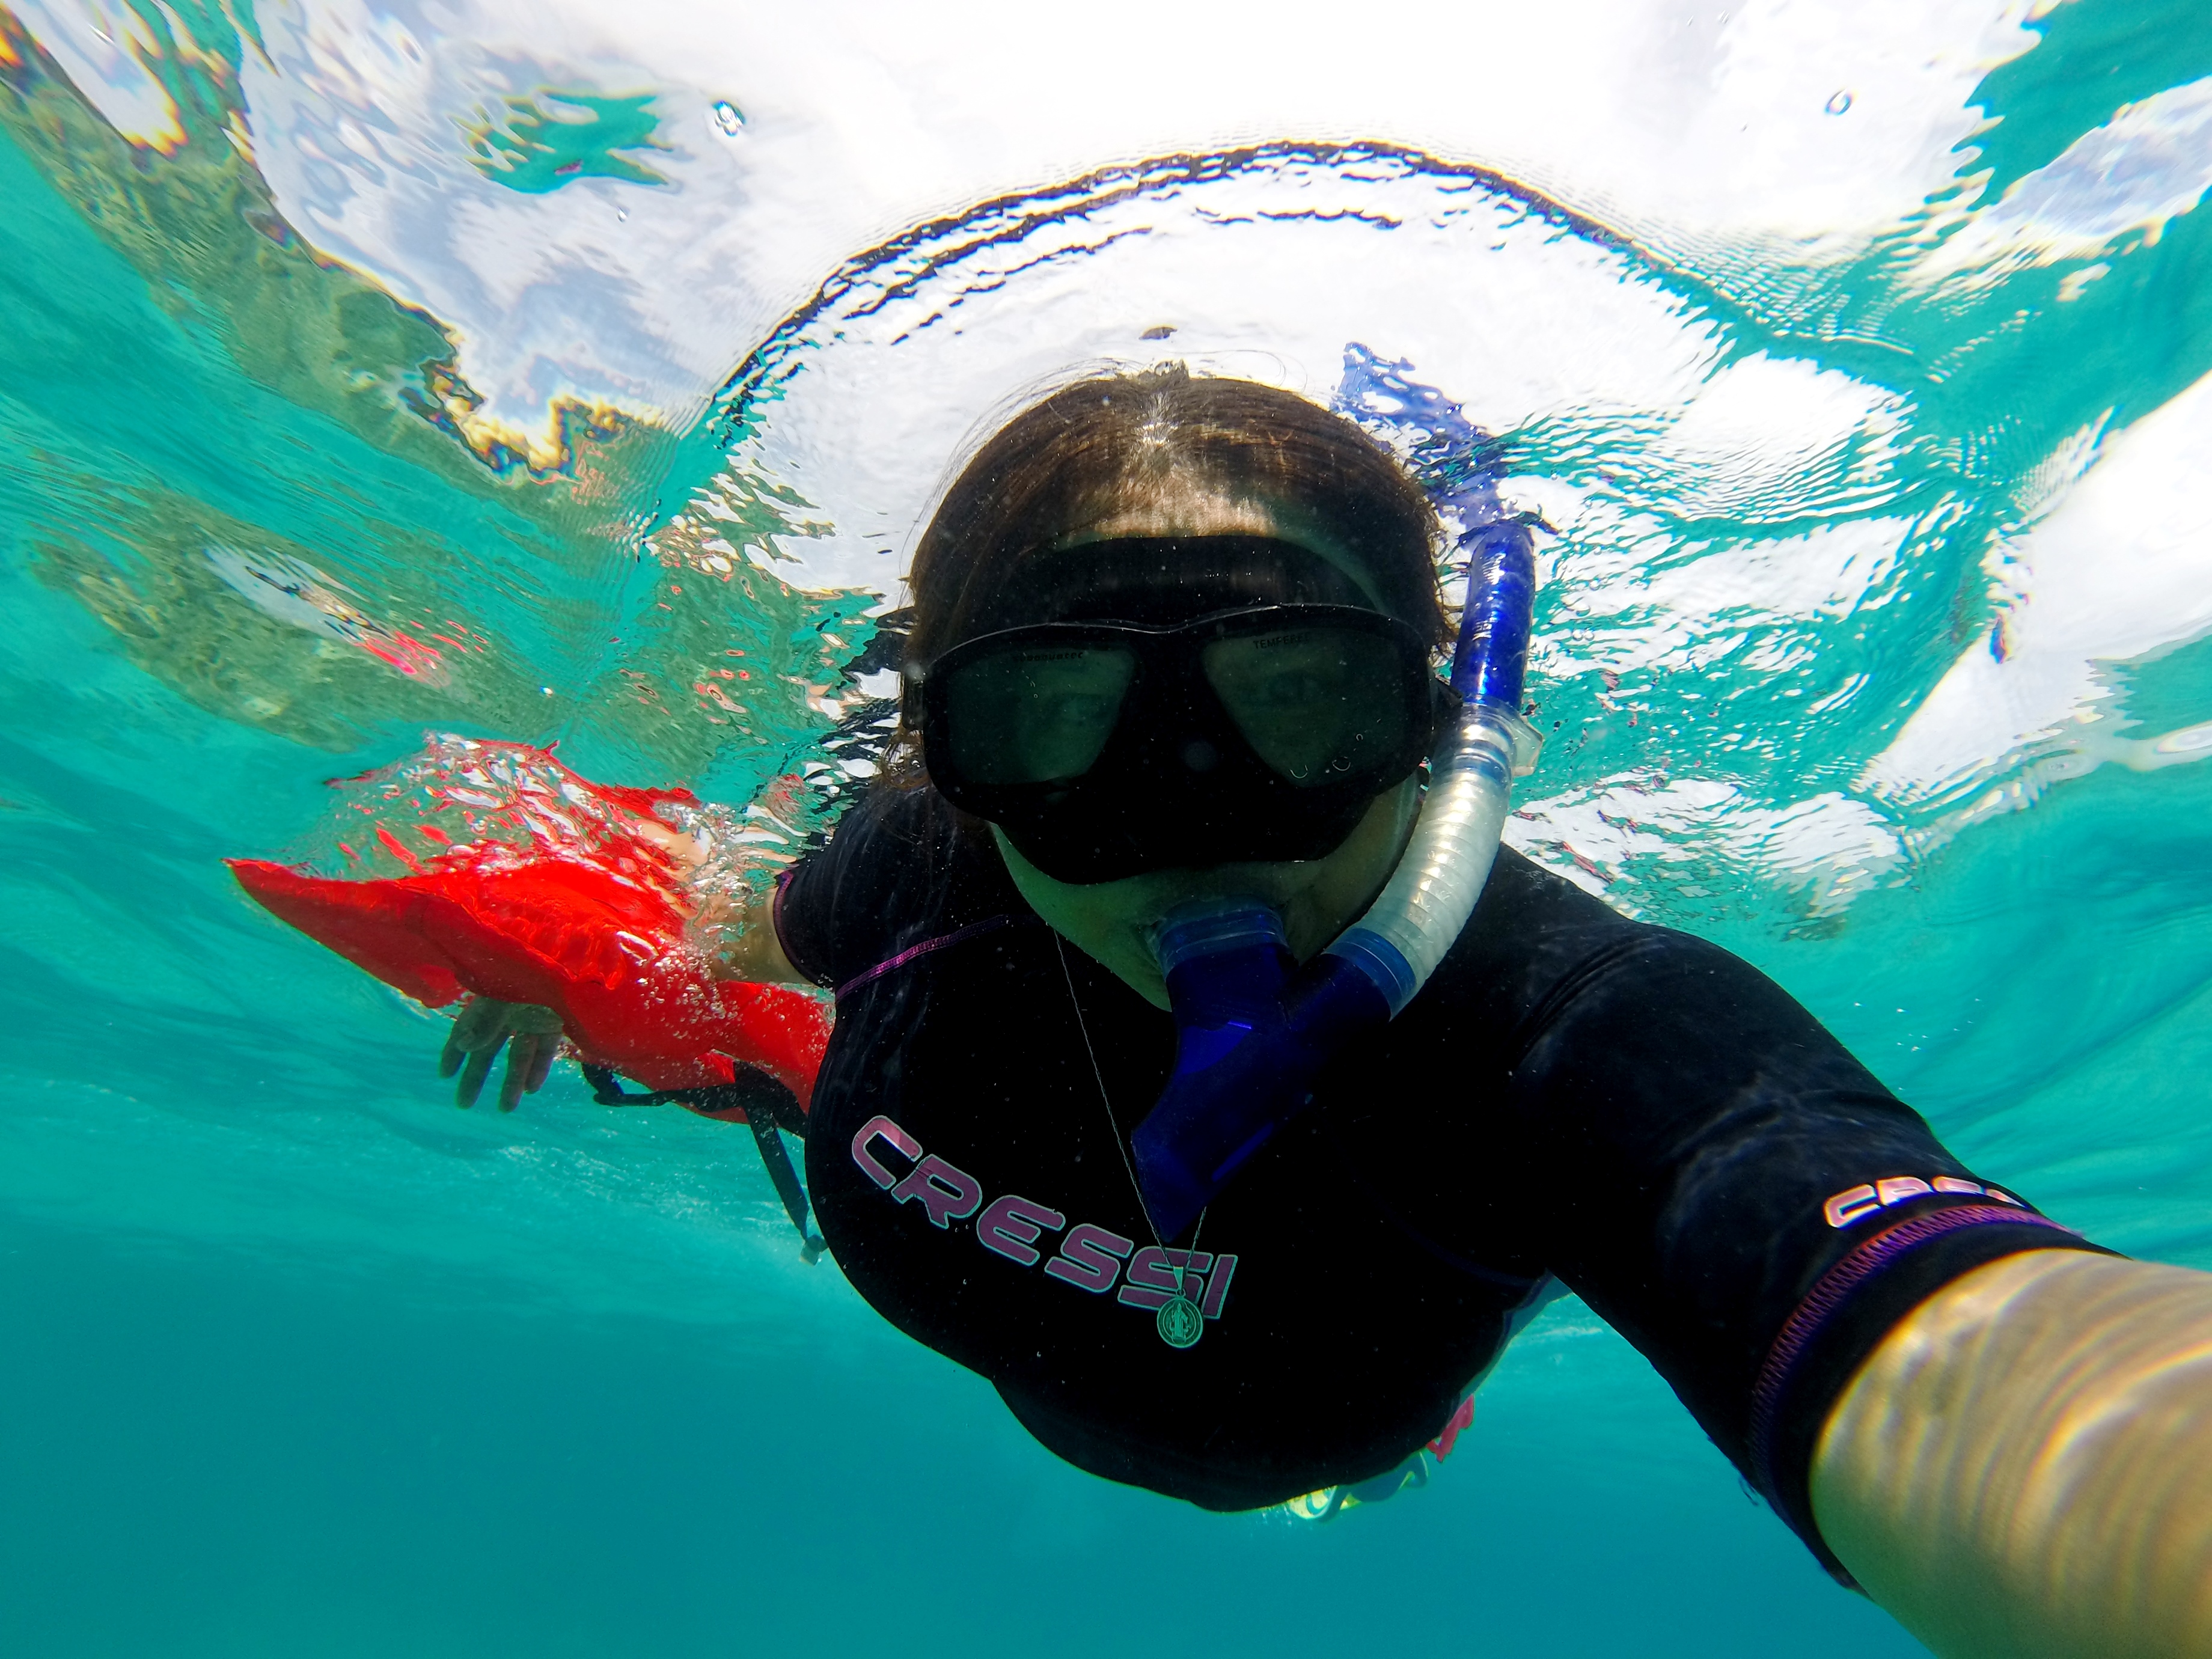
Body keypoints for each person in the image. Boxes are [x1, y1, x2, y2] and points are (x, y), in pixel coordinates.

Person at [429, 367, 2211, 1658]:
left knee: (1355, 1464)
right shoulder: (913, 872)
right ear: (955, 760)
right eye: (1061, 719)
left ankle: (1385, 1468)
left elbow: (1985, 1356)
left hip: (1323, 1443)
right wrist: (577, 966)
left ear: (1434, 726)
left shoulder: (1571, 1038)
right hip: (1033, 1324)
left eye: (1299, 704)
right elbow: (707, 912)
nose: (1193, 825)